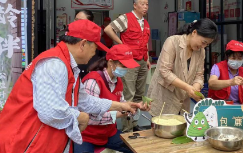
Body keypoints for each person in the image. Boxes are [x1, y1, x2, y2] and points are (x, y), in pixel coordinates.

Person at [0, 20, 142, 153]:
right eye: (95, 47)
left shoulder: (69, 66)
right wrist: (80, 117)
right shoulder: (55, 64)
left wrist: (122, 106)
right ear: (83, 44)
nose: (95, 53)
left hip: (42, 140)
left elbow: (85, 101)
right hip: (25, 141)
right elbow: (50, 111)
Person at [74, 44, 150, 153]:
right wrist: (117, 114)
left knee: (139, 148)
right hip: (87, 136)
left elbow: (122, 104)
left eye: (127, 66)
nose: (126, 69)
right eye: (123, 65)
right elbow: (88, 117)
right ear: (111, 63)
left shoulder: (118, 81)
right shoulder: (93, 81)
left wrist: (136, 107)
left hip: (109, 134)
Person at [147, 18, 218, 116]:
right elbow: (164, 71)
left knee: (181, 129)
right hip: (164, 98)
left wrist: (195, 88)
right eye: (203, 42)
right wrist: (187, 87)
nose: (204, 46)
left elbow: (199, 75)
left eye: (207, 44)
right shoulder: (172, 41)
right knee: (162, 129)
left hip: (183, 103)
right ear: (194, 32)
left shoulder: (201, 51)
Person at [104, 0, 151, 132]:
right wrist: (122, 45)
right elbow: (108, 29)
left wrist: (147, 59)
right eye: (142, 4)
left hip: (142, 60)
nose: (145, 7)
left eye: (147, 4)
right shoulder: (126, 18)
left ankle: (134, 123)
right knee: (128, 94)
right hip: (130, 61)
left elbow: (145, 42)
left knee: (139, 94)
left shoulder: (145, 23)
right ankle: (127, 129)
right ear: (135, 5)